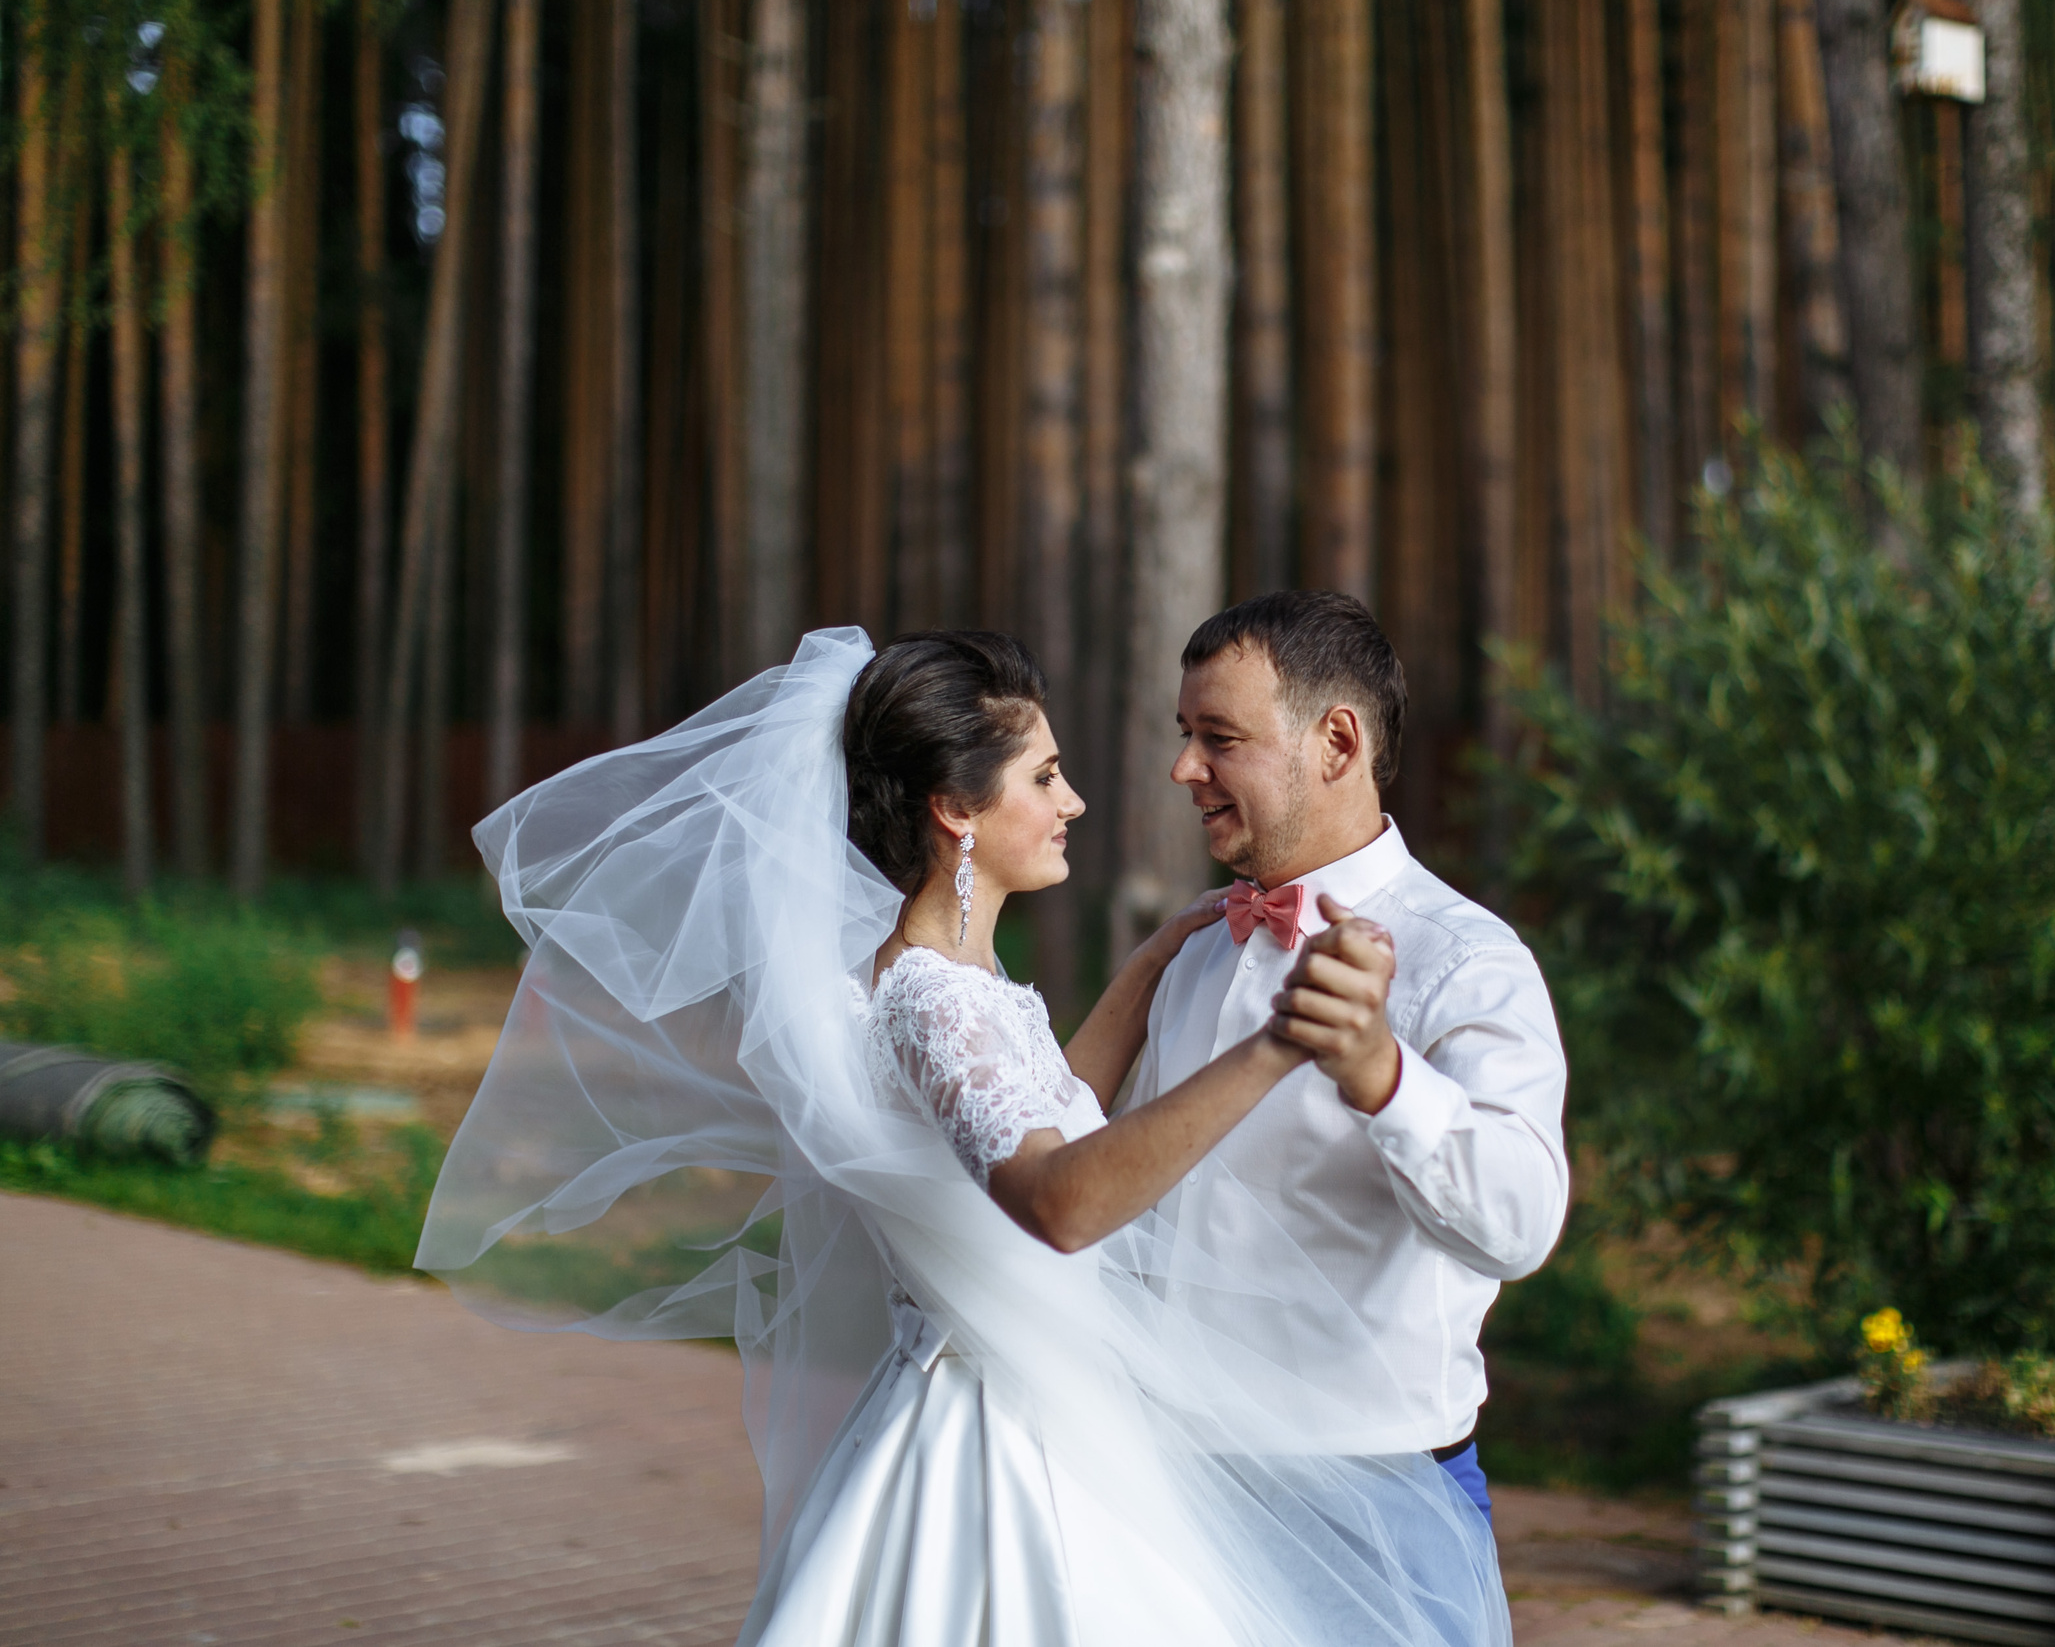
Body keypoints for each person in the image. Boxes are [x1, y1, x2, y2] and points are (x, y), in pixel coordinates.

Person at [416, 625, 1507, 1647]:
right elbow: (1056, 1197)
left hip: (1056, 1411)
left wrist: (1153, 962)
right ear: (956, 811)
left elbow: (1037, 1103)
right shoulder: (930, 1000)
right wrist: (1281, 1042)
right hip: (1000, 1447)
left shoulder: (959, 989)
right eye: (1042, 778)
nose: (1072, 800)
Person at [1122, 589, 1571, 1535]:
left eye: (1219, 737)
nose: (1183, 767)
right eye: (1184, 733)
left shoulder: (1467, 960)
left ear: (1336, 743)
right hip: (1174, 1496)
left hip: (1376, 1500)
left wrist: (1384, 1076)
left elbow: (1521, 1225)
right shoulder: (1197, 950)